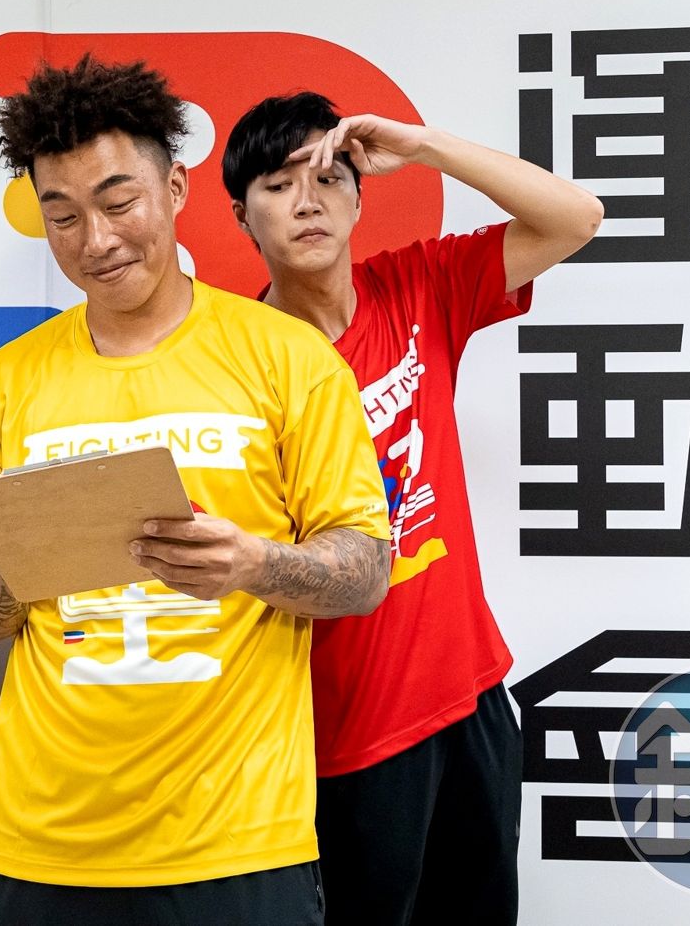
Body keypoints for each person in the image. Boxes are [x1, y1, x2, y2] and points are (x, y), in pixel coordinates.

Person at [0, 56, 393, 925]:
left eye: (119, 203)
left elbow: (365, 572)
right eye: (63, 216)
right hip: (36, 845)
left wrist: (252, 564)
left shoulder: (288, 358)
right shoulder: (0, 386)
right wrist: (34, 550)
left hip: (239, 845)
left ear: (176, 188)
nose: (96, 240)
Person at [220, 93, 604, 925]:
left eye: (329, 178)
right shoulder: (234, 365)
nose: (308, 200)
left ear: (360, 199)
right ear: (242, 216)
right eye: (278, 185)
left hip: (472, 697)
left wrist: (426, 146)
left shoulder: (418, 286)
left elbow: (576, 218)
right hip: (346, 731)